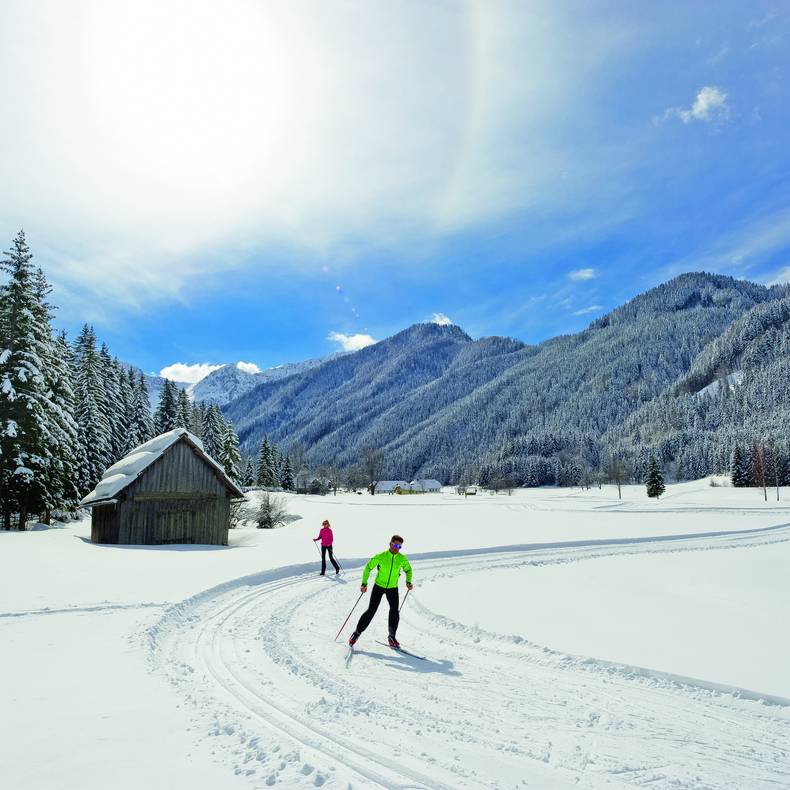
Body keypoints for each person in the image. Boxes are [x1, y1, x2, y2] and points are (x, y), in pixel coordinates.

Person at [348, 534, 413, 648]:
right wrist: (364, 583)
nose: (396, 548)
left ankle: (392, 637)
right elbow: (368, 568)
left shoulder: (402, 559)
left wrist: (408, 582)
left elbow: (408, 570)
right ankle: (356, 633)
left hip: (393, 588)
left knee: (394, 611)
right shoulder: (381, 556)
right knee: (371, 610)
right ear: (390, 544)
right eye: (395, 545)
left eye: (399, 547)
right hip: (379, 586)